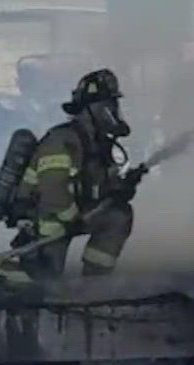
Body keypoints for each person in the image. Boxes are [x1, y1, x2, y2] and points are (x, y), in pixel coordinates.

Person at [7, 68, 141, 284]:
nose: (112, 110)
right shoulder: (62, 141)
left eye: (112, 104)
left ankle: (95, 283)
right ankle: (18, 279)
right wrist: (72, 218)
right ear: (89, 108)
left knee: (118, 215)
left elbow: (102, 186)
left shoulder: (98, 143)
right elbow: (52, 190)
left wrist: (122, 187)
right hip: (45, 216)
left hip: (72, 214)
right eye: (106, 104)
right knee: (45, 281)